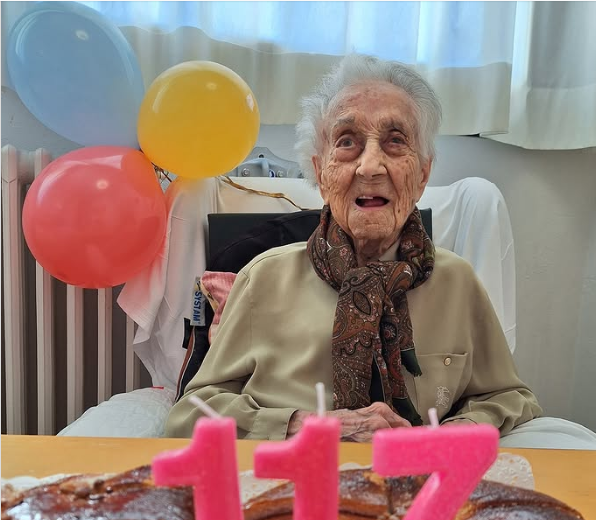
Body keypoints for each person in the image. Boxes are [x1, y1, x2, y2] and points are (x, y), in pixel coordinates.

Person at [165, 54, 542, 442]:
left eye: (395, 141)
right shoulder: (262, 279)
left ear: (423, 174)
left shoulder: (457, 282)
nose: (370, 166)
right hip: (294, 471)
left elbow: (509, 397)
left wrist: (453, 433)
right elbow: (191, 413)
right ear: (320, 173)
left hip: (417, 473)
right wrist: (303, 426)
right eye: (347, 142)